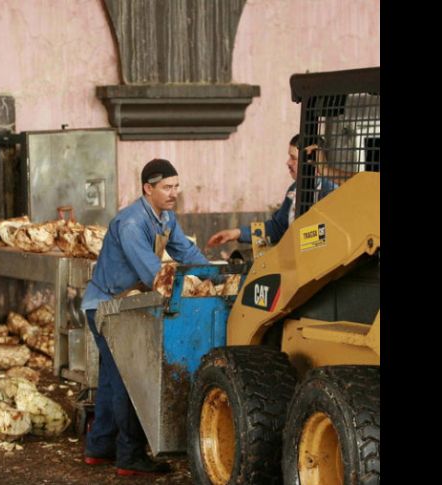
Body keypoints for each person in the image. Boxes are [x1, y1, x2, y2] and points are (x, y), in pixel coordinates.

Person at [80, 158, 210, 476]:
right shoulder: (132, 223)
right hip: (107, 307)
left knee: (113, 379)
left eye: (176, 186)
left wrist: (217, 274)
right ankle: (129, 457)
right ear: (147, 188)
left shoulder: (165, 219)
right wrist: (187, 288)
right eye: (167, 187)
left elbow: (187, 254)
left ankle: (99, 448)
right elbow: (153, 274)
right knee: (129, 379)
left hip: (124, 306)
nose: (173, 192)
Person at [207, 134, 338, 248]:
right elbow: (277, 228)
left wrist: (295, 243)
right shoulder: (294, 189)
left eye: (293, 158)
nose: (288, 162)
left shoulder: (331, 193)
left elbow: (328, 235)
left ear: (311, 162)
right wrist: (237, 233)